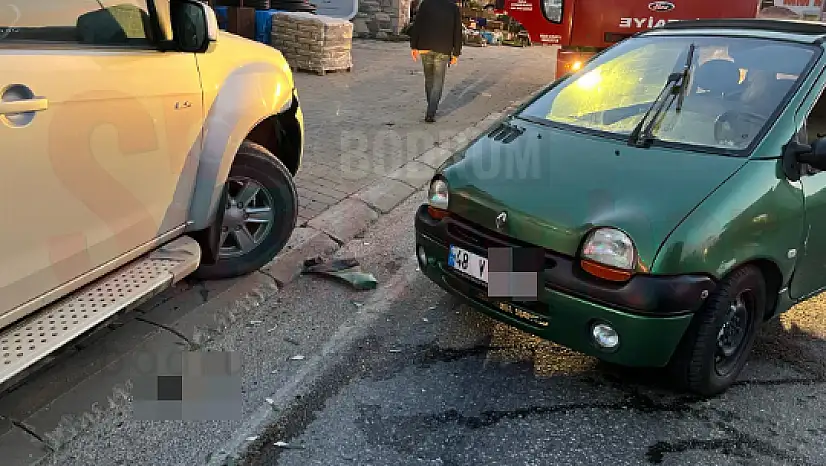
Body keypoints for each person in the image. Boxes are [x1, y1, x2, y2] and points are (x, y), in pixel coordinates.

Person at [409, 0, 463, 122]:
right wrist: (456, 53)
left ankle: (431, 107)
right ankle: (431, 111)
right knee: (438, 82)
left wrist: (414, 46)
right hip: (443, 49)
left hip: (425, 46)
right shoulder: (453, 8)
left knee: (429, 80)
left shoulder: (426, 4)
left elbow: (418, 25)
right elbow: (457, 31)